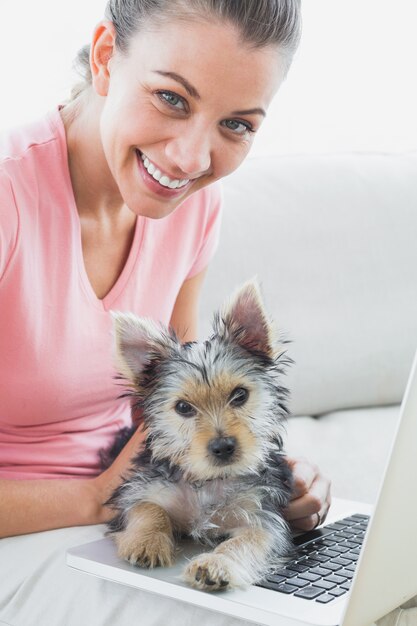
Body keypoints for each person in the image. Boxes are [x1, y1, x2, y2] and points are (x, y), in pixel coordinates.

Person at [0, 1, 333, 624]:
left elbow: (180, 391)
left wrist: (265, 474)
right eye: (172, 98)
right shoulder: (8, 200)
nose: (189, 159)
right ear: (105, 57)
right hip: (27, 536)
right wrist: (98, 497)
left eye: (236, 125)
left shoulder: (194, 207)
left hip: (138, 506)